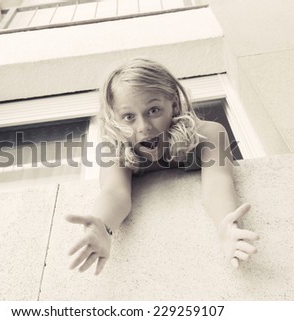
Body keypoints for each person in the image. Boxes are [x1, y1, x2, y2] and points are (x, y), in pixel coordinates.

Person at [65, 58, 259, 275]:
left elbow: (218, 183)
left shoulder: (209, 134)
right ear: (116, 119)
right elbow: (114, 191)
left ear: (173, 104)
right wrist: (102, 226)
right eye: (129, 117)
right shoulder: (115, 147)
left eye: (154, 110)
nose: (144, 126)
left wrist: (227, 226)